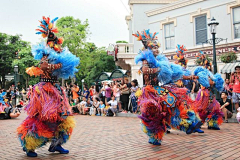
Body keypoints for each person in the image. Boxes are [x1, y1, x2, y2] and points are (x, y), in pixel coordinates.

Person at [17, 17, 80, 157]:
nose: (57, 44)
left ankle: (56, 145)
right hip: (45, 91)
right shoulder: (45, 55)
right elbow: (43, 66)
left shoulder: (57, 54)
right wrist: (58, 65)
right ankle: (29, 146)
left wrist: (62, 64)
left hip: (55, 90)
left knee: (62, 117)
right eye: (54, 42)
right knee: (42, 118)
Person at [133, 30, 205, 146]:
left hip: (158, 89)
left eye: (157, 47)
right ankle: (154, 136)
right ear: (148, 49)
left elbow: (175, 73)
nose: (156, 49)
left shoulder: (161, 61)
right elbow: (145, 70)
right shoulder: (146, 60)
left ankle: (186, 124)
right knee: (153, 113)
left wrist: (192, 77)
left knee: (174, 102)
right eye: (153, 47)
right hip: (149, 91)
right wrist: (158, 70)